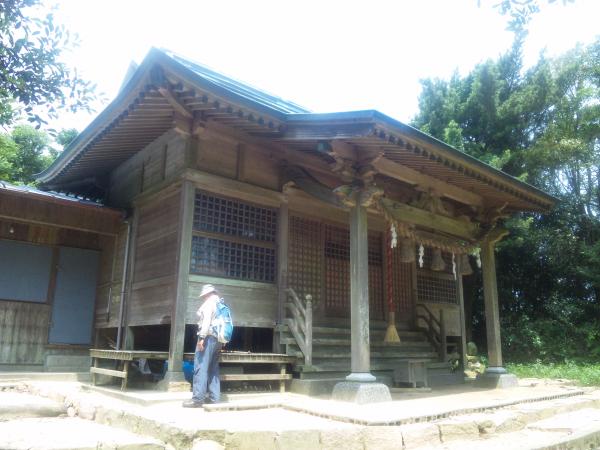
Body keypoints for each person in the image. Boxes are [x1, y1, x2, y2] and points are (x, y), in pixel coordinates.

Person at [183, 284, 223, 408]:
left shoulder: (209, 304)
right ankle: (214, 398)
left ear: (208, 294)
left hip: (208, 338)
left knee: (200, 367)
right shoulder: (221, 304)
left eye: (204, 295)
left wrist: (201, 338)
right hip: (218, 340)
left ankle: (197, 399)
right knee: (213, 369)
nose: (203, 298)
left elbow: (206, 323)